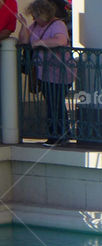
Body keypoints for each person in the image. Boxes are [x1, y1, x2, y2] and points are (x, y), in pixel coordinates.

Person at [17, 0, 73, 144]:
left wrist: (40, 43)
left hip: (59, 73)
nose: (34, 19)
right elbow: (24, 40)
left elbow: (60, 40)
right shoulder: (35, 26)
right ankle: (58, 134)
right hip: (44, 73)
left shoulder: (57, 24)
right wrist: (23, 26)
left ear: (44, 13)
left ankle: (59, 135)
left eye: (36, 15)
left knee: (56, 104)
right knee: (51, 103)